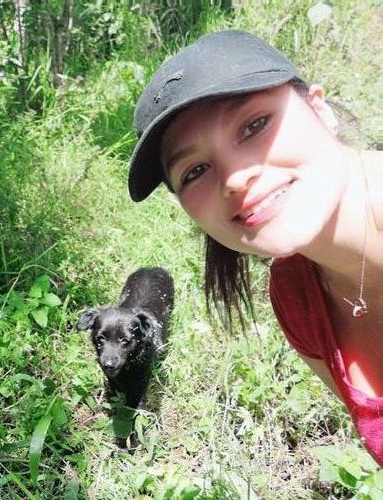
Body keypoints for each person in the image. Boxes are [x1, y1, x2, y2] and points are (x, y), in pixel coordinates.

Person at [127, 30, 383, 465]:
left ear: (319, 108)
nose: (234, 178)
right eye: (195, 171)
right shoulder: (297, 296)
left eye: (254, 125)